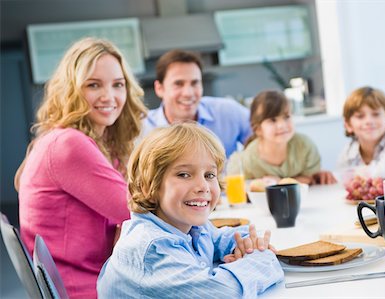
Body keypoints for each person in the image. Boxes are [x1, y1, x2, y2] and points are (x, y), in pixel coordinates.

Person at [15, 37, 148, 298]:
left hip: (96, 278)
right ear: (72, 91)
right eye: (93, 85)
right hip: (87, 288)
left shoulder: (78, 140)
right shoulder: (69, 145)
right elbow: (137, 209)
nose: (109, 96)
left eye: (118, 85)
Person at [97, 123, 284, 298]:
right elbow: (224, 292)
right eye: (184, 174)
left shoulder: (189, 226)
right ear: (148, 187)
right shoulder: (152, 248)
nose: (203, 186)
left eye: (209, 175)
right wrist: (262, 258)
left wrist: (246, 246)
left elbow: (221, 238)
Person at [137, 49, 252, 157]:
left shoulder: (227, 111)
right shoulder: (141, 129)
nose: (188, 93)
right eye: (178, 84)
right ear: (159, 88)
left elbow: (263, 139)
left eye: (194, 83)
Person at [227, 90, 336, 185]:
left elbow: (309, 178)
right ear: (258, 129)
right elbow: (242, 187)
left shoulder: (304, 146)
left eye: (286, 117)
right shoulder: (248, 161)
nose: (282, 125)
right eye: (272, 120)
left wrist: (278, 182)